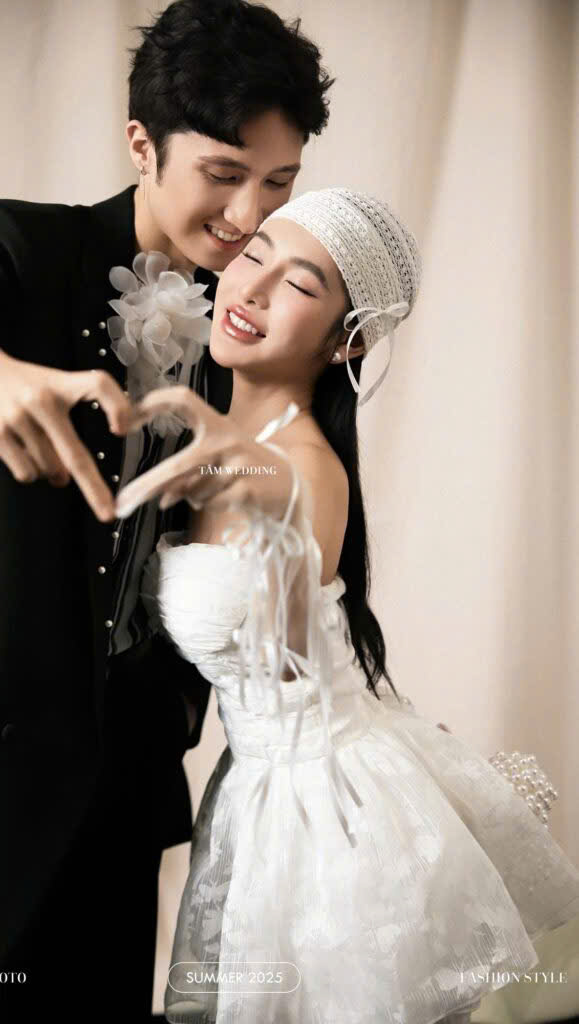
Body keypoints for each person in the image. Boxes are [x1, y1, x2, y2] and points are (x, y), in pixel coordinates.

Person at [0, 1, 333, 1019]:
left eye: (277, 183)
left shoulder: (247, 323)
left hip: (122, 797)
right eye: (224, 173)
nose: (248, 216)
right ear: (142, 144)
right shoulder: (19, 246)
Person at [113, 188, 579, 1023]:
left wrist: (266, 502)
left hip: (325, 811)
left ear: (348, 341)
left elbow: (292, 648)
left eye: (298, 284)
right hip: (255, 791)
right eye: (253, 257)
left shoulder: (303, 468)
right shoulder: (211, 440)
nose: (252, 291)